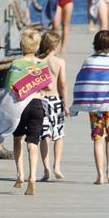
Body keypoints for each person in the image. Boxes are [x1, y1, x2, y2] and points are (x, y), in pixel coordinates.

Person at [70, 29, 109, 185]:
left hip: (94, 106)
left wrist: (76, 105)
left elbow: (82, 83)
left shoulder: (88, 61)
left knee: (97, 139)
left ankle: (100, 175)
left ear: (95, 44)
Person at [8, 26, 50, 195]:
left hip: (20, 106)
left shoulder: (16, 63)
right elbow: (49, 86)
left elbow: (10, 87)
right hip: (36, 104)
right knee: (33, 142)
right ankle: (33, 177)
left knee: (17, 139)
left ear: (21, 44)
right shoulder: (42, 64)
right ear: (38, 45)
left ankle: (20, 175)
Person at [37, 30, 68, 181]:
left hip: (41, 100)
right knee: (59, 134)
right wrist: (65, 104)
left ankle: (46, 168)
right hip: (55, 100)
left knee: (45, 135)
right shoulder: (60, 62)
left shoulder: (37, 61)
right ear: (55, 45)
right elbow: (62, 85)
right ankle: (57, 166)